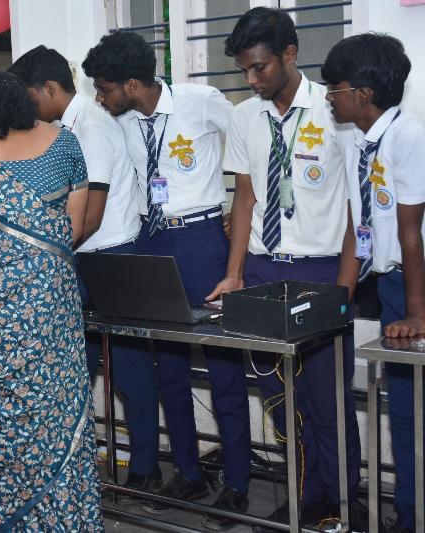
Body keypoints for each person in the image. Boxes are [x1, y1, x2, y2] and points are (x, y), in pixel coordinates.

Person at [83, 31, 252, 528]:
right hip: (152, 242)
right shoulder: (123, 122)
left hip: (201, 242)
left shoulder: (201, 103)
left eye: (106, 87)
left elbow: (250, 146)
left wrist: (244, 213)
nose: (101, 96)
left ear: (133, 83)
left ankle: (238, 485)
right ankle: (188, 472)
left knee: (223, 368)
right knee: (168, 369)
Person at [208, 8, 365, 530]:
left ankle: (341, 502)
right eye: (245, 71)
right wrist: (235, 274)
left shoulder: (333, 110)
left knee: (327, 404)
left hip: (320, 274)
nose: (251, 80)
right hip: (261, 270)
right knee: (281, 403)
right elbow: (247, 198)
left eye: (260, 68)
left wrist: (343, 290)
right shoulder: (243, 116)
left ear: (290, 56)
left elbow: (352, 212)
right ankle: (304, 497)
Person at [0, 71, 103, 531]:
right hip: (47, 299)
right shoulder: (64, 143)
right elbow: (73, 228)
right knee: (54, 403)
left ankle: (1, 513)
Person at [8, 46, 162, 498]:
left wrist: (43, 256)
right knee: (78, 369)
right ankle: (76, 464)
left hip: (112, 258)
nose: (26, 108)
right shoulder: (66, 127)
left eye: (29, 97)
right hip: (82, 259)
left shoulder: (91, 128)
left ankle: (146, 469)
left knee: (131, 373)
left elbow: (88, 219)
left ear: (49, 89)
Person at [322, 33, 425, 533]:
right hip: (387, 284)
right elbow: (356, 226)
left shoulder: (408, 137)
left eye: (334, 90)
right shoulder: (356, 143)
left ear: (362, 93)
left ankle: (414, 514)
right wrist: (339, 298)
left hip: (416, 285)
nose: (329, 99)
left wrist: (417, 315)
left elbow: (411, 234)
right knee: (400, 412)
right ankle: (407, 514)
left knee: (414, 414)